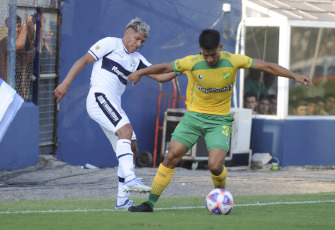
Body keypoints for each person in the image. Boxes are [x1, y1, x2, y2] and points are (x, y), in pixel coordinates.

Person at [126, 29, 311, 212]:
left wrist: (294, 75)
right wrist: (141, 73)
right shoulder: (191, 62)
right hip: (193, 118)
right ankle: (149, 203)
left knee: (215, 166)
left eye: (213, 55)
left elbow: (267, 66)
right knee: (171, 157)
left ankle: (220, 193)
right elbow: (166, 67)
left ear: (220, 47)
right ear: (200, 49)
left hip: (219, 121)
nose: (209, 59)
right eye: (205, 55)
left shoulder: (234, 60)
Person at [54, 18, 175, 210]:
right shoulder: (111, 43)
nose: (138, 44)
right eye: (136, 38)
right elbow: (84, 60)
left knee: (132, 147)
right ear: (127, 32)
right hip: (98, 98)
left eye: (142, 42)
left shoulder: (137, 60)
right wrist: (65, 83)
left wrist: (183, 68)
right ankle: (130, 178)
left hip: (112, 105)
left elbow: (161, 76)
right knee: (125, 132)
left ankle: (122, 200)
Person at [0, 15, 34, 98]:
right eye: (13, 27)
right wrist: (24, 27)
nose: (17, 29)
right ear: (7, 29)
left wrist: (29, 27)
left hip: (23, 90)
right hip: (7, 90)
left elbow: (31, 40)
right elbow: (19, 45)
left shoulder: (25, 43)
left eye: (19, 26)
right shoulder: (4, 43)